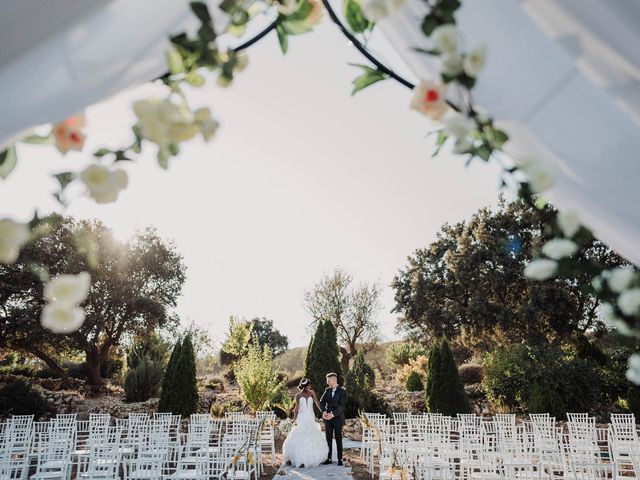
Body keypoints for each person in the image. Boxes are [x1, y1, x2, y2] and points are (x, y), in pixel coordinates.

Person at [282, 378, 329, 468]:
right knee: (301, 435)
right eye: (309, 385)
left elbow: (317, 403)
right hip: (302, 417)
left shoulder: (312, 393)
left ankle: (312, 457)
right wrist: (294, 419)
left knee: (312, 434)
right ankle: (300, 459)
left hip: (310, 416)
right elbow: (296, 409)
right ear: (306, 385)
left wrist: (323, 412)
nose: (310, 386)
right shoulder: (298, 395)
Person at [319, 372, 347, 466]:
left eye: (329, 380)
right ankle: (329, 458)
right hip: (327, 419)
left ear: (334, 379)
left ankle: (339, 459)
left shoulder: (342, 391)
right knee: (328, 438)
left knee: (339, 438)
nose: (327, 382)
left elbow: (342, 406)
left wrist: (332, 414)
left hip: (338, 418)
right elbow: (321, 402)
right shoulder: (327, 390)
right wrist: (324, 412)